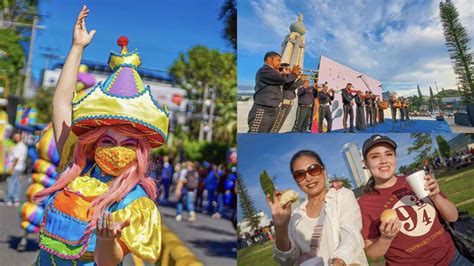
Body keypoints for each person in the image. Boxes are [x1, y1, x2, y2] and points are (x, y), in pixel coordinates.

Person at [33, 6, 166, 265]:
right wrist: (77, 48)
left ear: (139, 150)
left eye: (127, 144)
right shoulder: (78, 168)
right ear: (95, 142)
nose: (116, 150)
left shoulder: (135, 200)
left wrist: (106, 240)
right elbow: (61, 105)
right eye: (108, 141)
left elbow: (108, 262)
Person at [358, 134, 471, 265]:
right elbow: (372, 253)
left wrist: (436, 196)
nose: (384, 160)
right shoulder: (365, 203)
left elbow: (453, 217)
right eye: (375, 156)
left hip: (452, 258)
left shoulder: (416, 180)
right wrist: (386, 238)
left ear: (395, 157)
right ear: (365, 163)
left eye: (388, 154)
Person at [270, 150, 368, 266]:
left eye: (313, 169)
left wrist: (338, 261)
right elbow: (287, 260)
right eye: (300, 174)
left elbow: (351, 236)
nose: (308, 178)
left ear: (324, 172)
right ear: (296, 182)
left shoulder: (342, 197)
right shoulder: (295, 215)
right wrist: (280, 227)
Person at [248, 51, 299, 133]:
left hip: (273, 109)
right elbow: (282, 79)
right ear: (269, 59)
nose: (280, 63)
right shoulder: (265, 70)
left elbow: (286, 85)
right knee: (256, 134)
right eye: (278, 60)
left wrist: (294, 76)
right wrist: (294, 74)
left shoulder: (273, 72)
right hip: (263, 109)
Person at [270, 64, 305, 133]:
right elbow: (291, 87)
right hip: (283, 104)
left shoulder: (286, 78)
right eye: (288, 69)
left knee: (278, 125)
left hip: (287, 104)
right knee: (276, 126)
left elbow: (290, 85)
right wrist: (300, 80)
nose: (290, 71)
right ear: (283, 69)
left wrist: (295, 76)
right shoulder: (281, 77)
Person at [3, 133, 28, 206]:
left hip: (16, 167)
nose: (14, 138)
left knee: (11, 182)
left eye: (15, 137)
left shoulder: (19, 146)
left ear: (19, 138)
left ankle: (9, 199)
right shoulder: (23, 146)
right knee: (16, 182)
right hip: (20, 166)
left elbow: (16, 158)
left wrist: (12, 168)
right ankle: (16, 198)